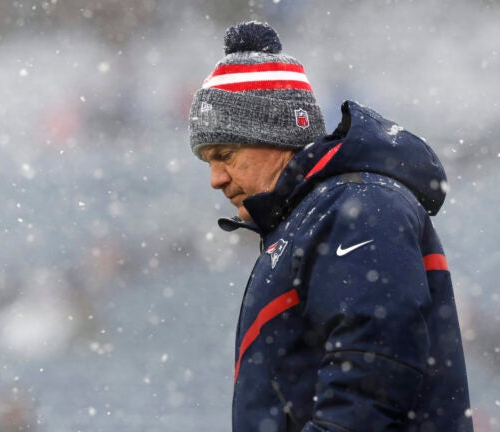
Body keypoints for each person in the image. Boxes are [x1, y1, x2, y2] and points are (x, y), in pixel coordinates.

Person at [188, 21, 474, 432]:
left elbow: (373, 374)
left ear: (276, 134)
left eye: (226, 154)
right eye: (208, 161)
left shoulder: (360, 207)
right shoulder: (312, 218)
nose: (215, 179)